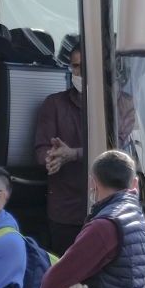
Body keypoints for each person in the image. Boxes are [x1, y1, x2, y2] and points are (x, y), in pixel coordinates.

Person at [39, 150, 145, 288]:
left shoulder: (104, 227)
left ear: (93, 183)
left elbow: (50, 285)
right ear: (135, 183)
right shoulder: (136, 217)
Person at [34, 34, 89, 252]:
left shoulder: (123, 103)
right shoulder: (54, 103)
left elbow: (119, 152)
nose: (80, 73)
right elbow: (41, 148)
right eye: (75, 67)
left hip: (108, 211)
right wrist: (52, 157)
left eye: (85, 66)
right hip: (66, 212)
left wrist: (73, 154)